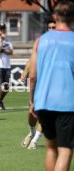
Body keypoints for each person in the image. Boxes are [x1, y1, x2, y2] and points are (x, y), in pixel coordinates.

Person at [30, 1, 74, 170]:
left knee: (50, 147)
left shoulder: (41, 41)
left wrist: (32, 101)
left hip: (44, 101)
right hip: (67, 103)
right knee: (65, 150)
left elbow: (32, 76)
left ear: (55, 17)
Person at [21, 19, 56, 150]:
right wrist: (25, 72)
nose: (52, 29)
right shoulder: (42, 42)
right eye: (50, 27)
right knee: (32, 112)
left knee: (43, 112)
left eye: (54, 27)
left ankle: (35, 140)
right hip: (39, 83)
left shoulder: (62, 44)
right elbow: (32, 59)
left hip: (53, 83)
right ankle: (31, 132)